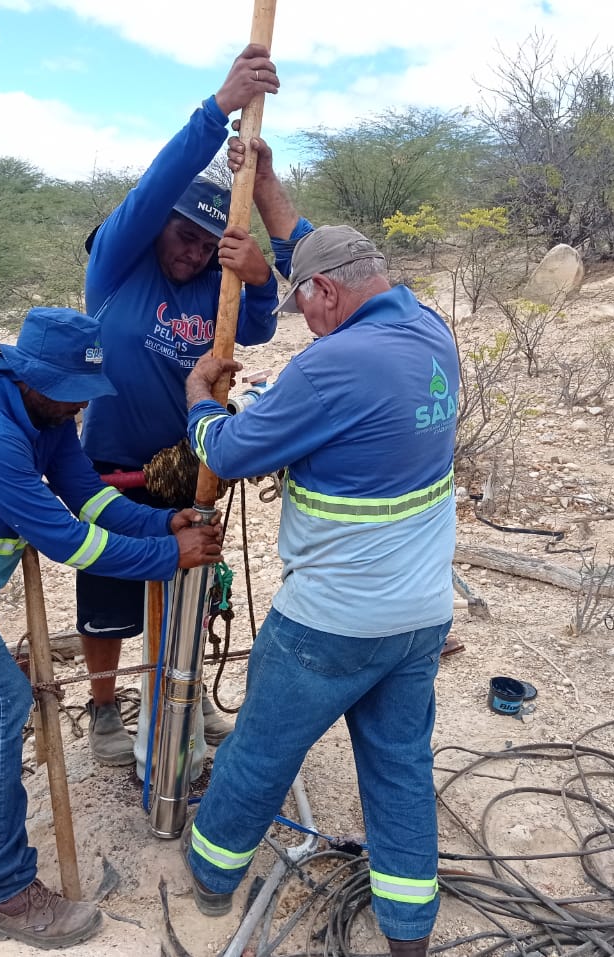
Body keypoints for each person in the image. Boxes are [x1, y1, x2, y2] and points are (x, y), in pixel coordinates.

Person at [0, 306, 223, 950]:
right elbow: (66, 540)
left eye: (87, 392)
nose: (81, 406)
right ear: (28, 376)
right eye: (71, 392)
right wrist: (170, 556)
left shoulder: (45, 416)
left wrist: (159, 523)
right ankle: (4, 894)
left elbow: (91, 498)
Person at [179, 133, 459, 957]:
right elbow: (308, 246)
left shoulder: (332, 365)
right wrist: (266, 185)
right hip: (419, 615)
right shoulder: (425, 325)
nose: (304, 319)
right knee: (399, 764)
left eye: (305, 306)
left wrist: (201, 398)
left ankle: (210, 876)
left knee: (262, 748)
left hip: (331, 622)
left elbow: (229, 451)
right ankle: (409, 928)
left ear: (330, 293)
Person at [76, 43, 281, 774]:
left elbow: (258, 329)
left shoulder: (212, 286)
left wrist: (258, 277)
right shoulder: (117, 267)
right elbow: (153, 186)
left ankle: (180, 700)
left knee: (185, 582)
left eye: (207, 242)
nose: (193, 253)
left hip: (186, 466)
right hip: (109, 464)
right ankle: (104, 705)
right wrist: (216, 109)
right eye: (184, 236)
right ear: (159, 226)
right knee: (108, 592)